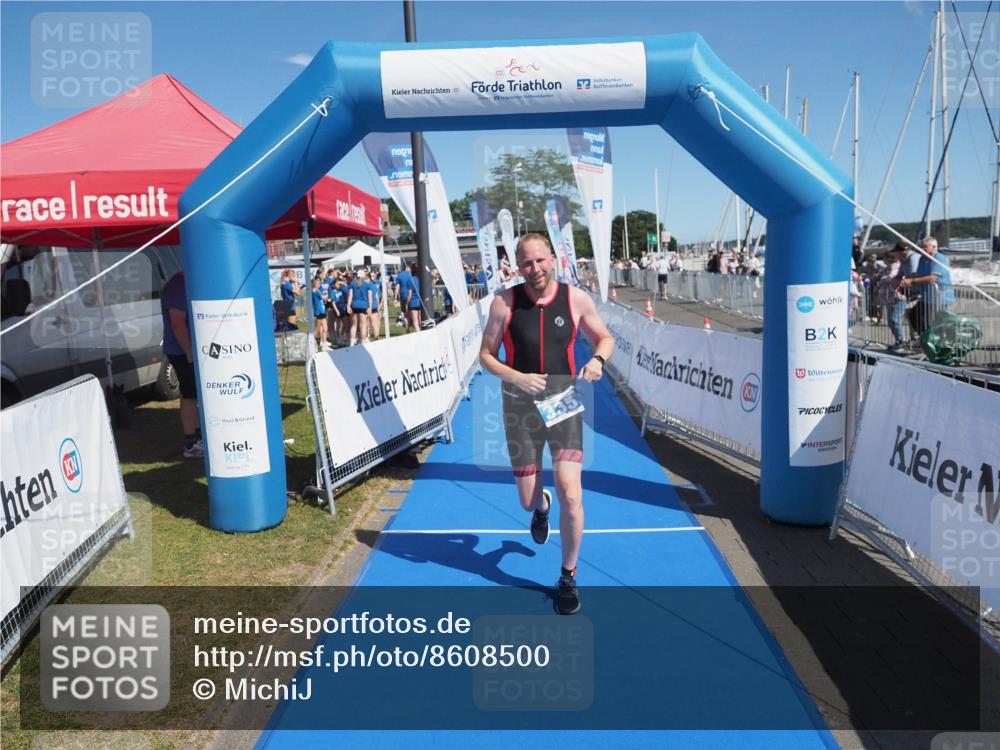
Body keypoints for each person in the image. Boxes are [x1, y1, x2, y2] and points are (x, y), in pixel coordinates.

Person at [479, 233, 615, 615]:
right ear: (517, 265)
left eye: (540, 261)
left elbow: (605, 338)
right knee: (526, 500)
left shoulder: (575, 299)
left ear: (553, 259)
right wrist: (516, 377)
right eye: (526, 263)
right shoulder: (504, 303)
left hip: (562, 402)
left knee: (572, 491)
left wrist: (598, 361)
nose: (534, 269)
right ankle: (541, 507)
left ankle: (568, 575)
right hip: (519, 405)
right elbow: (485, 356)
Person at [160, 271, 203, 459]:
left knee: (195, 394)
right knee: (190, 394)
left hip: (190, 350)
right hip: (181, 351)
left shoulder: (189, 279)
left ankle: (199, 439)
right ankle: (191, 445)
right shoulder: (179, 284)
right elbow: (177, 323)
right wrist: (190, 353)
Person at [900, 237, 954, 337]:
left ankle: (932, 341)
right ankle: (925, 339)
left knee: (933, 322)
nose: (922, 249)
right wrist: (905, 279)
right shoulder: (922, 258)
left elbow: (932, 278)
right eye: (921, 247)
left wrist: (912, 280)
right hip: (927, 296)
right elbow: (919, 274)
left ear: (934, 247)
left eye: (925, 247)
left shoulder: (939, 258)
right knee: (913, 315)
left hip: (939, 296)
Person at [347, 269, 372, 344]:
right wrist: (370, 307)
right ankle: (363, 340)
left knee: (354, 325)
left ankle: (352, 342)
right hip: (363, 305)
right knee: (363, 325)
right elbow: (370, 296)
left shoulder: (352, 283)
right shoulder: (367, 284)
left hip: (354, 305)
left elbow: (350, 295)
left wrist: (348, 306)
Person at [402, 262, 423, 331]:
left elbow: (409, 294)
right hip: (421, 302)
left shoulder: (410, 280)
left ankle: (419, 335)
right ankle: (422, 332)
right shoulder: (422, 279)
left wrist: (407, 303)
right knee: (420, 320)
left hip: (413, 302)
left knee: (415, 321)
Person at [310, 277, 329, 351]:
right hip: (318, 311)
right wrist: (327, 294)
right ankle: (311, 343)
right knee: (317, 328)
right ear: (315, 284)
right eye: (318, 283)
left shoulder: (316, 291)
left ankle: (324, 344)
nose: (320, 284)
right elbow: (323, 298)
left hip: (321, 311)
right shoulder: (316, 291)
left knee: (325, 328)